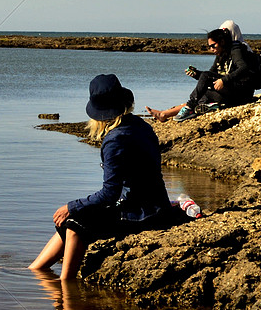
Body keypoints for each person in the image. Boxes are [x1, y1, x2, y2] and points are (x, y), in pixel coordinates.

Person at [29, 74, 173, 275]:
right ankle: (35, 271)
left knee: (75, 222)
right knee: (72, 217)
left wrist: (71, 206)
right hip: (157, 206)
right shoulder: (141, 126)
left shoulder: (114, 140)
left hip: (141, 214)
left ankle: (65, 286)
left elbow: (110, 194)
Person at [146, 25, 256, 121]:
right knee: (202, 94)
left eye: (213, 45)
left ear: (222, 41)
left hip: (241, 93)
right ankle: (164, 114)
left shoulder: (236, 50)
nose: (211, 49)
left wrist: (223, 80)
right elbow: (210, 75)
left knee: (198, 95)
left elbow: (244, 68)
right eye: (209, 47)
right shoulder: (221, 54)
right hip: (229, 92)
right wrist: (196, 74)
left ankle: (191, 108)